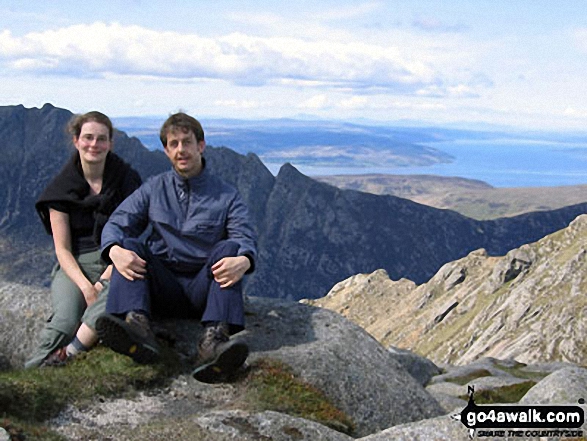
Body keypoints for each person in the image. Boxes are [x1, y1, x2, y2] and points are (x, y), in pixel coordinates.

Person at [95, 112, 257, 382]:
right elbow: (117, 223)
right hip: (162, 286)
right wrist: (114, 251)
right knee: (130, 244)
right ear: (166, 150)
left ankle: (213, 341)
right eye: (174, 144)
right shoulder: (153, 189)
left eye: (187, 142)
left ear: (200, 146)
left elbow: (244, 237)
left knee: (229, 250)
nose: (181, 150)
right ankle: (137, 328)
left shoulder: (226, 195)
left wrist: (245, 260)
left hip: (203, 290)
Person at [25, 111, 142, 368]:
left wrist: (104, 280)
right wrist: (87, 287)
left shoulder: (126, 181)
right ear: (76, 140)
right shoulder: (59, 190)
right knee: (65, 321)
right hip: (74, 265)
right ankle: (31, 370)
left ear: (110, 143)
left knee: (113, 298)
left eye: (101, 139)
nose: (94, 145)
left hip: (115, 261)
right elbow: (62, 249)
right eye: (88, 137)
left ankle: (68, 354)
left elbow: (132, 235)